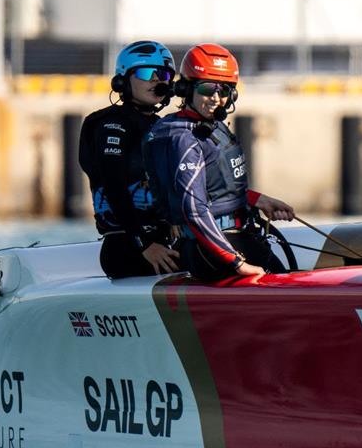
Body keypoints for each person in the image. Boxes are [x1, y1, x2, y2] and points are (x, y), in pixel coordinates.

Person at [143, 43, 294, 280]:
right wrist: (236, 263)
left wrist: (258, 200)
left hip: (236, 236)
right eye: (206, 89)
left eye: (224, 91)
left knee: (286, 276)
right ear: (186, 89)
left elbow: (216, 186)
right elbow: (193, 209)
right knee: (282, 284)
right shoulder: (183, 138)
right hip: (210, 250)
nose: (215, 98)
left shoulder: (210, 126)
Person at [79, 40, 181, 278]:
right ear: (122, 80)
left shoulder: (161, 126)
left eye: (164, 73)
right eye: (147, 73)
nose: (158, 79)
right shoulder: (110, 124)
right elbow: (113, 184)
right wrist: (143, 243)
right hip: (128, 248)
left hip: (163, 242)